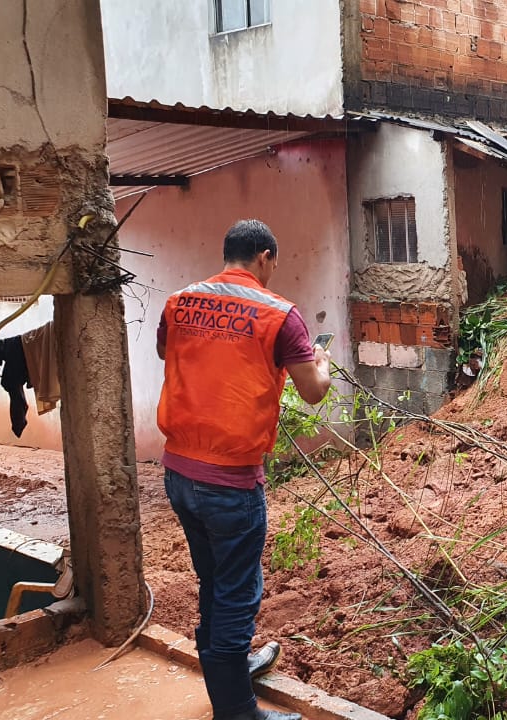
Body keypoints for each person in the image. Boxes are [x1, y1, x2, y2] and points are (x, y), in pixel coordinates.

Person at [157, 220, 332, 720]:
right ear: (265, 257)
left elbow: (165, 352)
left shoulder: (180, 300)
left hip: (178, 473)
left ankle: (228, 672)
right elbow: (313, 391)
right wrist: (318, 359)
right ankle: (236, 710)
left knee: (213, 580)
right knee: (237, 593)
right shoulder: (282, 315)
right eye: (274, 262)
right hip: (230, 480)